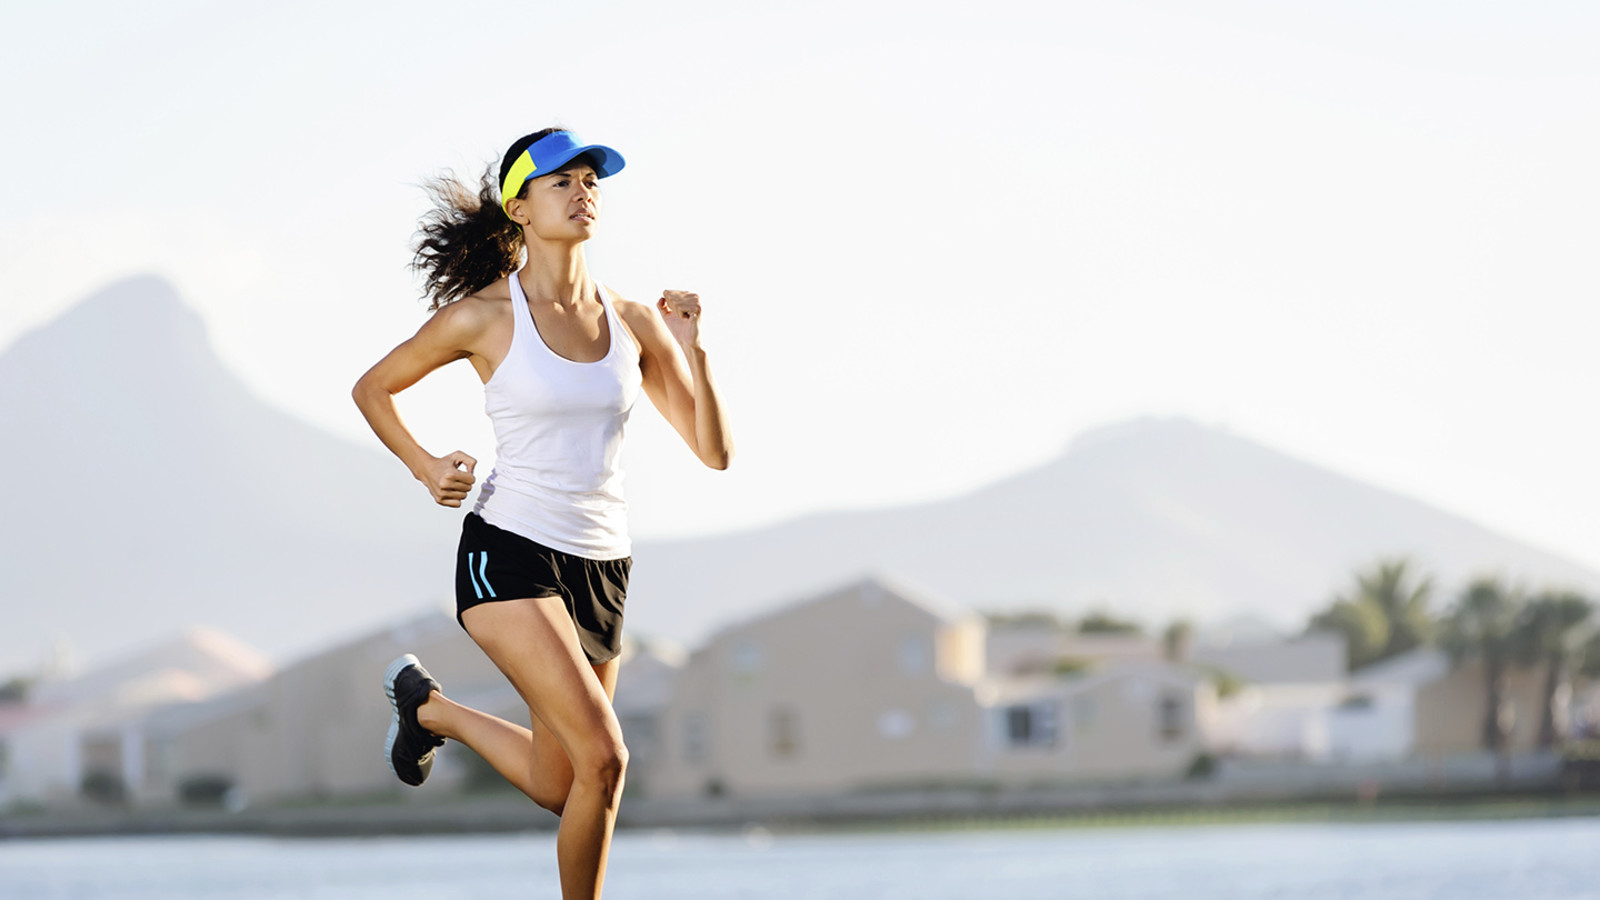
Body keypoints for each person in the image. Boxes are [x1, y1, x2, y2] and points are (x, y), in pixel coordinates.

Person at [352, 127, 732, 899]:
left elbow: (713, 450)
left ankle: (430, 712)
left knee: (565, 784)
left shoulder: (634, 321)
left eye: (591, 180)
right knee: (607, 760)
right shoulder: (485, 316)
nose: (582, 190)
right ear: (520, 208)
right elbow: (373, 388)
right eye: (562, 181)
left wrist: (694, 349)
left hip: (604, 567)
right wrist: (426, 466)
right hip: (508, 552)